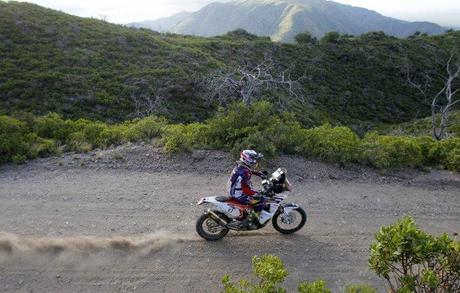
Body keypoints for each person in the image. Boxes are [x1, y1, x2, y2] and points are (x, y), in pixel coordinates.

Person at [228, 150, 267, 217]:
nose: (255, 161)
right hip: (238, 195)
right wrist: (257, 194)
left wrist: (258, 173)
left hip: (233, 189)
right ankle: (252, 218)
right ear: (247, 159)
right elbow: (245, 190)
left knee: (256, 194)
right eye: (253, 159)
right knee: (262, 199)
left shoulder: (240, 165)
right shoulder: (245, 172)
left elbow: (247, 171)